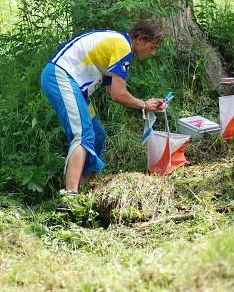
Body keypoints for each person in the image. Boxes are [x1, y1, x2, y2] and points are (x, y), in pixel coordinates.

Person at [41, 18, 167, 210]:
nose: (153, 52)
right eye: (152, 46)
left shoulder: (119, 45)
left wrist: (145, 105)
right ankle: (69, 199)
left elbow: (112, 91)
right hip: (61, 76)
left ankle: (84, 192)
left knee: (97, 134)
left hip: (74, 85)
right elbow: (118, 94)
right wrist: (144, 104)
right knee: (82, 134)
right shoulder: (123, 47)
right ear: (140, 38)